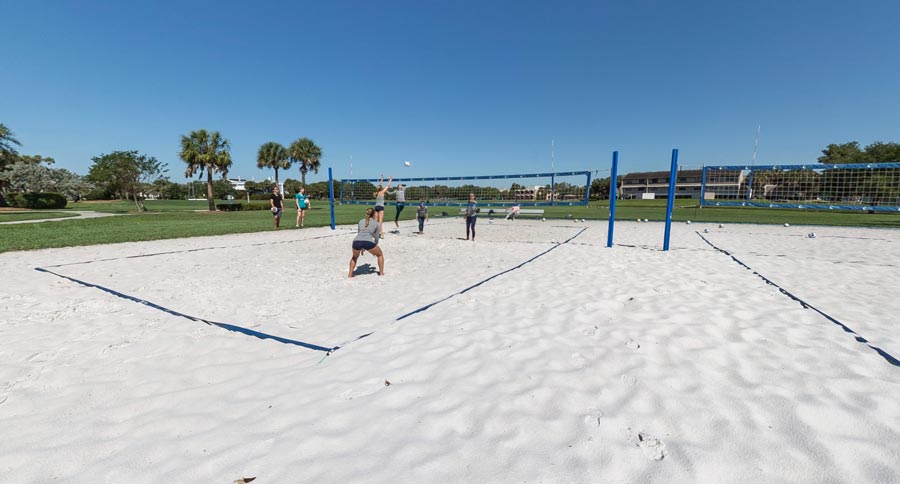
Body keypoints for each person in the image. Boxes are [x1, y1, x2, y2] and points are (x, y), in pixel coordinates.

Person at [349, 207, 384, 277]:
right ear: (374, 214)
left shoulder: (361, 221)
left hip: (356, 241)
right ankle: (381, 273)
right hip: (368, 242)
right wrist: (375, 245)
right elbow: (376, 237)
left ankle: (350, 274)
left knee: (354, 257)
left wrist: (362, 247)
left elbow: (359, 233)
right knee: (380, 255)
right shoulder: (377, 224)